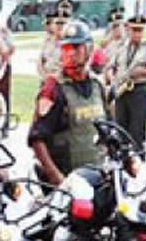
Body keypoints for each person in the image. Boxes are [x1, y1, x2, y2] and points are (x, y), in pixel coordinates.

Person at [28, 19, 108, 184]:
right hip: (69, 182)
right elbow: (37, 139)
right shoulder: (53, 88)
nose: (70, 54)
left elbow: (110, 129)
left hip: (97, 176)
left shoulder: (97, 86)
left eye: (76, 48)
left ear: (89, 49)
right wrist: (57, 179)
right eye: (65, 48)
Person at [107, 15, 146, 148]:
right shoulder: (120, 47)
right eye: (134, 30)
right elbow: (111, 67)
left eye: (140, 30)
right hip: (121, 90)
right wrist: (112, 80)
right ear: (128, 30)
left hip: (138, 89)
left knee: (137, 129)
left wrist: (144, 72)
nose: (137, 34)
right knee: (121, 128)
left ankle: (138, 160)